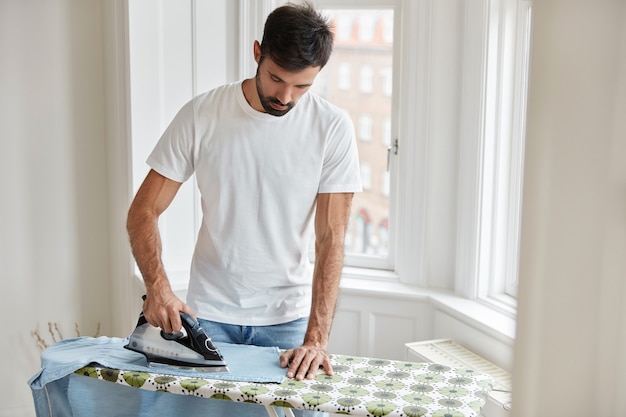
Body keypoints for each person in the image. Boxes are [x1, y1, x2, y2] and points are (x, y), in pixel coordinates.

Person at [127, 3, 361, 415]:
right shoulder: (202, 114)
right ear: (257, 52)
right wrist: (158, 286)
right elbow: (142, 211)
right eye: (276, 78)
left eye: (302, 87)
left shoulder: (332, 128)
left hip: (289, 323)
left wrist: (317, 336)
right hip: (208, 315)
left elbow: (331, 239)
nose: (285, 97)